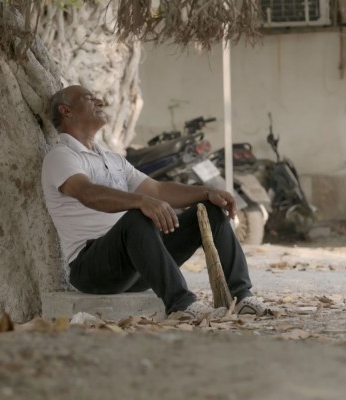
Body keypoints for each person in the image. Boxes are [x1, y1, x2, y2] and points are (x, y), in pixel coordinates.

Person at [41, 85, 267, 319]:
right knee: (137, 216)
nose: (100, 102)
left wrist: (207, 192)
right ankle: (181, 304)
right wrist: (141, 201)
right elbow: (87, 193)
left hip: (137, 265)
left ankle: (242, 296)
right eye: (89, 98)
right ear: (66, 111)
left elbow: (158, 189)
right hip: (93, 270)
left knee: (208, 210)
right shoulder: (61, 156)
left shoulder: (112, 159)